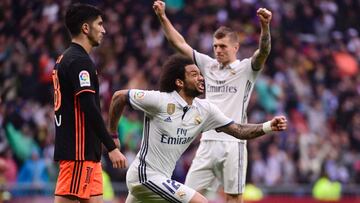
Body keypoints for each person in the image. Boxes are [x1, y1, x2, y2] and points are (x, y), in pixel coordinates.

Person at [108, 54, 287, 203]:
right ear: (179, 82)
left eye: (200, 74)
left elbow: (238, 130)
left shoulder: (205, 109)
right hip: (144, 176)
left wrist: (268, 126)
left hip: (160, 179)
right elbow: (118, 97)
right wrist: (113, 136)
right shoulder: (160, 101)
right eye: (194, 74)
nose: (201, 77)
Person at [153, 1, 272, 202]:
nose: (217, 50)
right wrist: (163, 17)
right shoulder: (208, 65)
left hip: (234, 142)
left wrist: (265, 27)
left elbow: (263, 52)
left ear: (236, 47)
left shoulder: (246, 69)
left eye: (223, 46)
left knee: (233, 198)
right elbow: (179, 43)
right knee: (186, 195)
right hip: (207, 141)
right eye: (215, 46)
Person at [52, 3, 127, 203]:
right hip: (78, 153)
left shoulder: (67, 59)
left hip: (89, 155)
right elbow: (88, 107)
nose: (104, 30)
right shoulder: (78, 61)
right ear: (86, 28)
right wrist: (111, 147)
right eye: (100, 24)